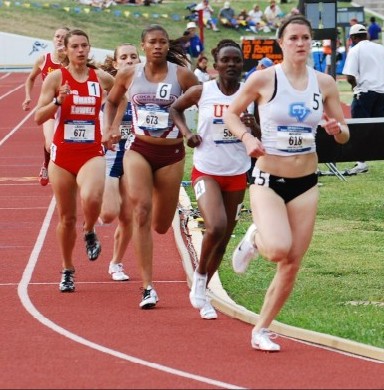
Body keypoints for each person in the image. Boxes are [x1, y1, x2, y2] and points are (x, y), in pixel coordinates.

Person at [223, 14, 350, 351]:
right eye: (293, 38)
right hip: (268, 179)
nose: (300, 43)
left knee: (292, 262)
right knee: (278, 248)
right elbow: (230, 113)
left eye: (305, 38)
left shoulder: (324, 83)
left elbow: (344, 131)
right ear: (281, 43)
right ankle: (254, 237)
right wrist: (248, 139)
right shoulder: (264, 79)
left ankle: (261, 330)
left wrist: (338, 130)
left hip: (306, 181)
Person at [103, 24, 199, 309]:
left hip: (171, 154)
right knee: (141, 212)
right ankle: (147, 287)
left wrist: (198, 129)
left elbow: (205, 98)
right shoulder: (128, 74)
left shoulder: (181, 74)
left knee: (159, 224)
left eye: (162, 42)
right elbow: (111, 102)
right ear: (142, 46)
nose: (157, 46)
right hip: (138, 149)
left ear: (167, 46)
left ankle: (159, 208)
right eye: (152, 42)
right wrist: (110, 129)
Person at [170, 39, 258, 320]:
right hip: (207, 169)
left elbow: (263, 129)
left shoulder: (251, 94)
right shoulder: (202, 91)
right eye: (226, 60)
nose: (231, 65)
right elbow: (174, 109)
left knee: (222, 240)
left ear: (243, 63)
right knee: (216, 226)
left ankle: (203, 291)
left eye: (237, 60)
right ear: (215, 62)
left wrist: (254, 126)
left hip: (237, 172)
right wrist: (187, 134)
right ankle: (198, 277)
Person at [33, 29, 114, 292]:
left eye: (84, 46)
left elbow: (122, 95)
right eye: (75, 46)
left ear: (89, 49)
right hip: (62, 155)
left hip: (91, 151)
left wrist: (112, 127)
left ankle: (89, 230)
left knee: (91, 197)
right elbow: (38, 116)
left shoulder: (100, 77)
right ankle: (68, 269)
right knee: (66, 218)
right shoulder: (56, 78)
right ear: (65, 51)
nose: (80, 50)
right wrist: (58, 100)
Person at [99, 43, 142, 282]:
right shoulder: (107, 90)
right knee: (107, 215)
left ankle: (116, 263)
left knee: (128, 216)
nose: (129, 61)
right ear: (115, 64)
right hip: (108, 158)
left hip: (134, 158)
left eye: (133, 57)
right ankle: (91, 223)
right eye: (123, 57)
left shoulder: (146, 90)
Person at [342, 23, 384, 175]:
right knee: (380, 129)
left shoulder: (355, 49)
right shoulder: (380, 48)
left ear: (353, 38)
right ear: (366, 35)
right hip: (383, 93)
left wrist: (354, 86)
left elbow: (350, 76)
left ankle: (361, 162)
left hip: (365, 92)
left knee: (359, 129)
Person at [23, 27, 69, 186]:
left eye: (64, 37)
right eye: (57, 36)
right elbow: (30, 78)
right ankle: (46, 164)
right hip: (49, 107)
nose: (60, 39)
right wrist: (28, 96)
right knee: (50, 145)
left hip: (69, 107)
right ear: (53, 39)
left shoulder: (72, 61)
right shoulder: (43, 60)